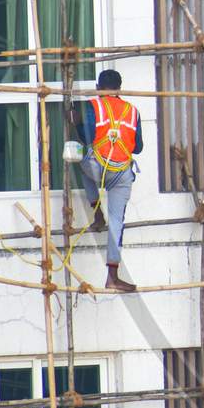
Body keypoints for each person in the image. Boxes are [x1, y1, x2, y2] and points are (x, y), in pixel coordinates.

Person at [77, 69, 143, 293]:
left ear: (98, 87)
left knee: (79, 162)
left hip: (97, 167)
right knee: (117, 221)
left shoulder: (92, 105)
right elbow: (139, 147)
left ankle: (96, 212)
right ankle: (113, 276)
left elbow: (85, 137)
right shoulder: (132, 111)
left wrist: (73, 121)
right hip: (121, 172)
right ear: (120, 89)